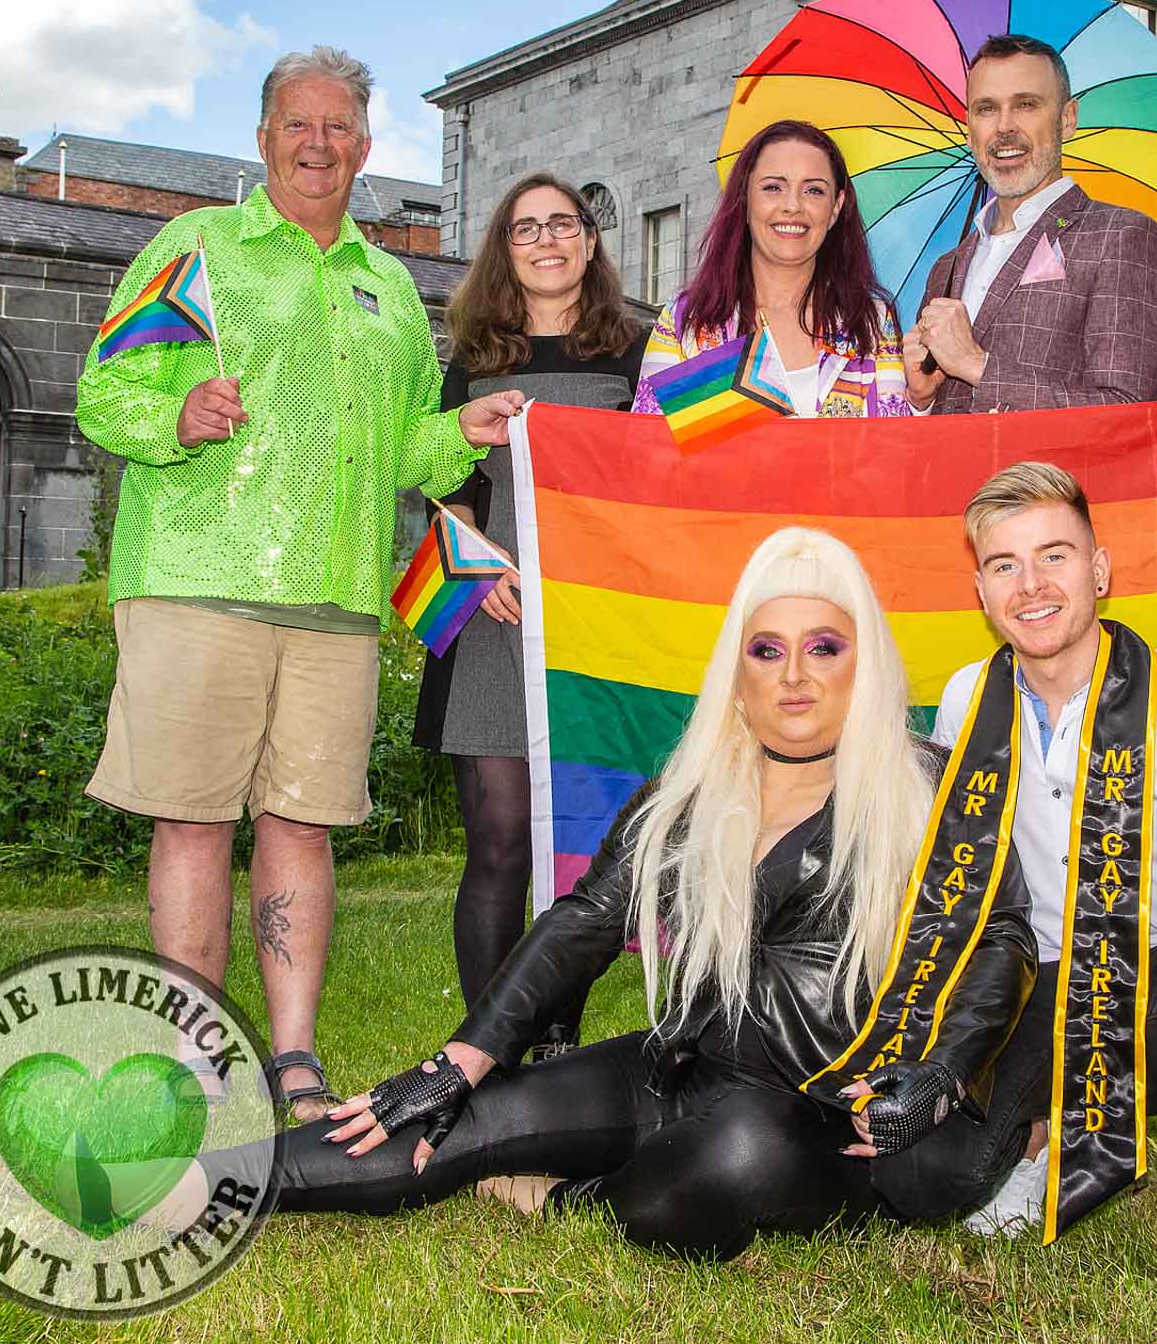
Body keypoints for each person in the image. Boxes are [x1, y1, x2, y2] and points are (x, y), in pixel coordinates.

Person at [167, 529, 1038, 1261]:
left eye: (825, 648)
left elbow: (1001, 938)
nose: (794, 678)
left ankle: (572, 1201)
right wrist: (459, 1059)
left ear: (865, 662)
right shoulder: (695, 786)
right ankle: (193, 1187)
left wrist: (942, 1073)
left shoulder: (932, 789)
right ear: (736, 674)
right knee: (459, 1122)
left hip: (820, 1119)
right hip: (677, 1072)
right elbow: (587, 920)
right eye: (766, 651)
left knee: (730, 1161)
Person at [76, 46, 527, 1122]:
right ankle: (194, 1050)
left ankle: (291, 1056)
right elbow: (107, 386)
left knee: (303, 822)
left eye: (339, 127)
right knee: (191, 820)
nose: (318, 142)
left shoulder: (386, 287)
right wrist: (172, 417)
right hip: (196, 577)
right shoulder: (196, 248)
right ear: (264, 136)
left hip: (335, 598)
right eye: (297, 123)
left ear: (365, 148)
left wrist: (458, 428)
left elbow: (415, 448)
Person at [877, 462, 1157, 1333]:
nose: (1033, 585)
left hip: (1156, 997)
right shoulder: (969, 700)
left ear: (1101, 570)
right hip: (1019, 1001)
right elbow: (945, 881)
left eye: (1055, 556)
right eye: (1005, 565)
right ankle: (1035, 1142)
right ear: (979, 588)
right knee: (917, 1183)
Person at [413, 173, 648, 1045]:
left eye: (564, 224)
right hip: (495, 624)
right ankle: (486, 1054)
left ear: (591, 240)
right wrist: (475, 567)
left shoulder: (642, 353)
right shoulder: (473, 363)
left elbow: (663, 488)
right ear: (503, 253)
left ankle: (554, 1045)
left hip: (602, 629)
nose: (547, 240)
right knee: (502, 845)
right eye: (525, 229)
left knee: (583, 854)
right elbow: (445, 487)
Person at [901, 33, 1157, 413]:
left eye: (1026, 105)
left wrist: (977, 366)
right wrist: (922, 398)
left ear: (1067, 119)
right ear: (970, 127)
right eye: (986, 109)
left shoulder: (1121, 236)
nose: (1004, 127)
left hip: (1053, 475)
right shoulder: (946, 267)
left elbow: (1125, 411)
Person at [633, 121, 909, 418]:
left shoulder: (872, 323)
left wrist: (919, 400)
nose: (792, 206)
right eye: (773, 188)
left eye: (814, 190)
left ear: (836, 208)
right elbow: (649, 449)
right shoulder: (689, 320)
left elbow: (895, 448)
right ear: (745, 199)